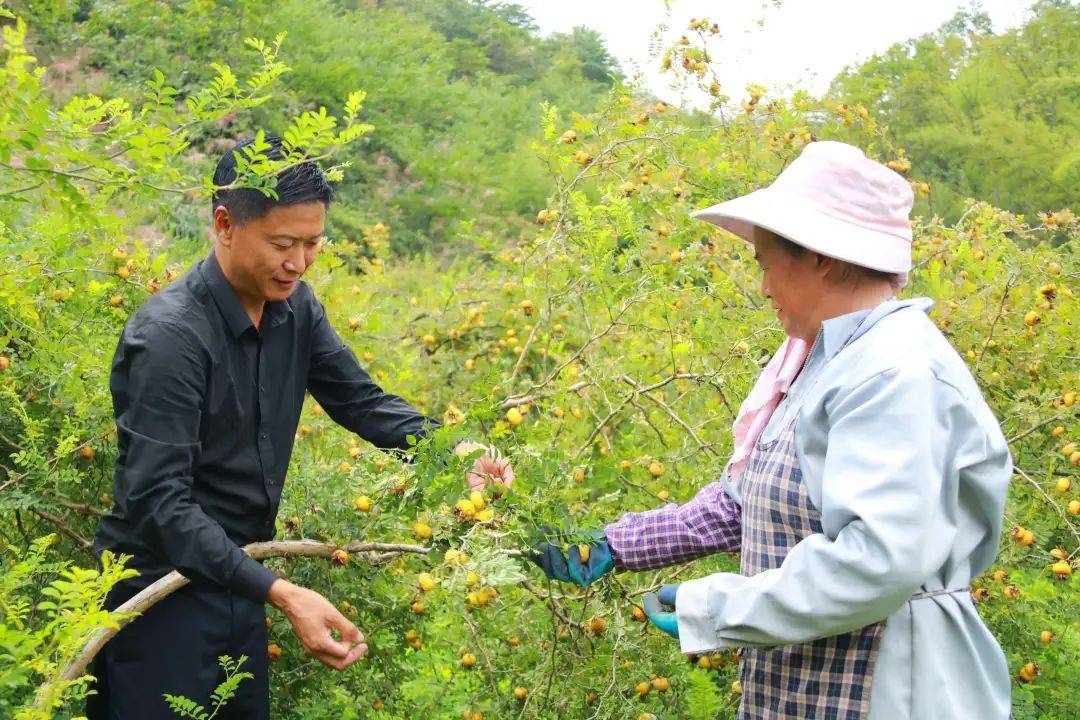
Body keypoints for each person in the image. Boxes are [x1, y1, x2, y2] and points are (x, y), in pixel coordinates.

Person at [531, 141, 1012, 719]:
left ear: (820, 256)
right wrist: (617, 544)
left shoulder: (895, 374)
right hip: (810, 681)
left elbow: (877, 561)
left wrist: (713, 607)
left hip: (892, 683)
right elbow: (752, 500)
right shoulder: (821, 360)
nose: (763, 289)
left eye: (765, 265)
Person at [87, 135, 513, 719]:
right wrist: (284, 594)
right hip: (159, 599)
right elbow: (159, 503)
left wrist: (449, 449)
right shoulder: (170, 337)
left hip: (242, 582)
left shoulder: (296, 309)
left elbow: (359, 400)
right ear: (225, 224)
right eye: (282, 243)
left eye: (312, 243)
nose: (298, 263)